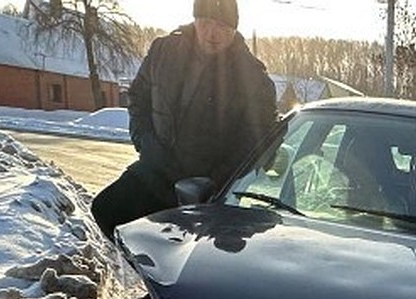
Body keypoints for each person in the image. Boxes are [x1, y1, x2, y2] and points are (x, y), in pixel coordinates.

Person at [91, 0, 279, 238]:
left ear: (234, 28)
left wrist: (216, 180)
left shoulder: (252, 77)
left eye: (222, 26)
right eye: (206, 22)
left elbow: (257, 140)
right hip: (156, 170)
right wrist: (146, 142)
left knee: (180, 253)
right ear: (195, 19)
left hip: (208, 190)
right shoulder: (163, 51)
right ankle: (131, 271)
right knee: (107, 210)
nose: (213, 33)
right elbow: (138, 99)